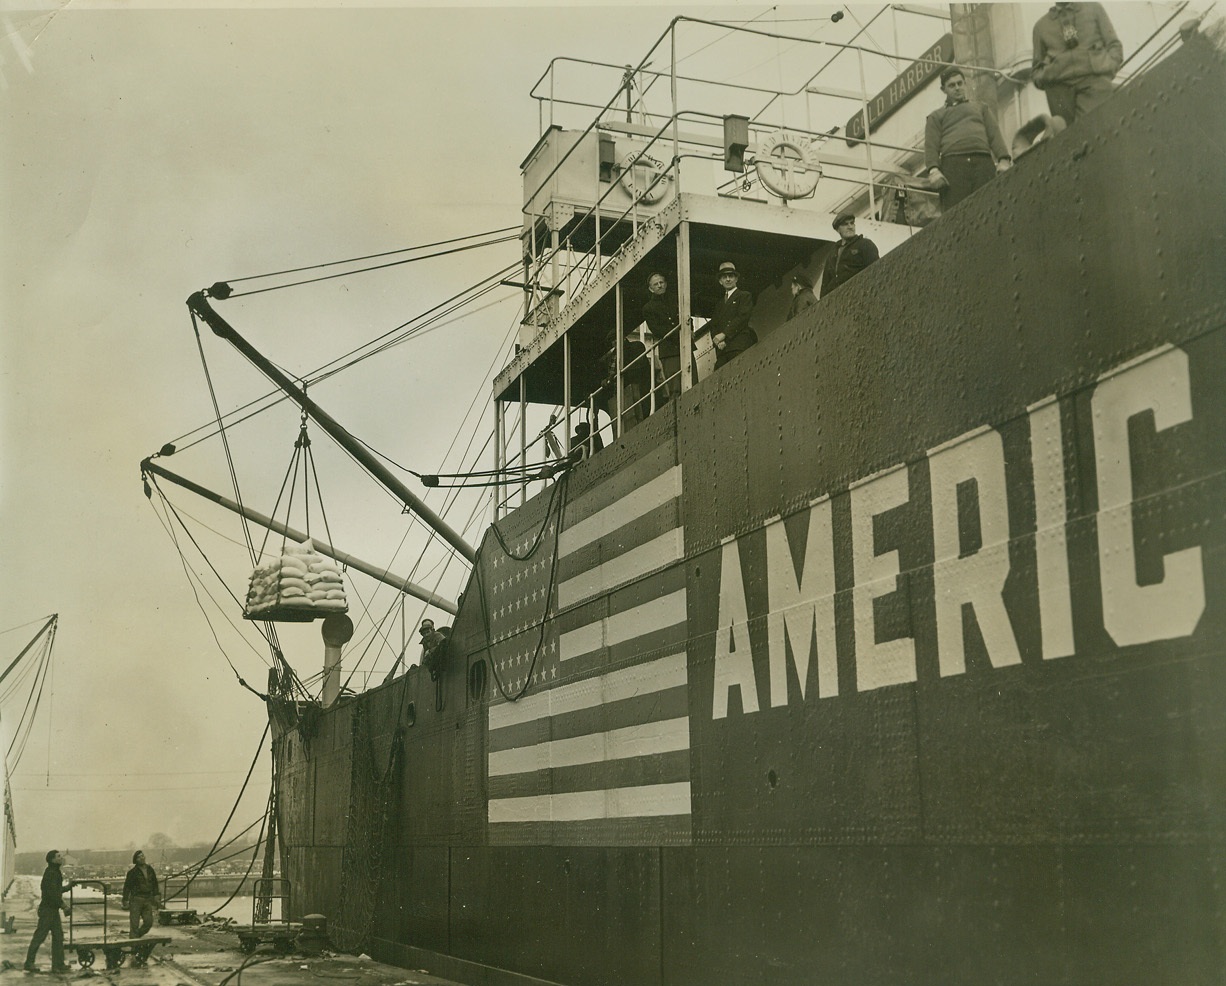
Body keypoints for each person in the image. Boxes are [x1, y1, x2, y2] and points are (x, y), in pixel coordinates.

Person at [924, 68, 1011, 211]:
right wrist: (933, 170)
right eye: (952, 85)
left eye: (960, 83)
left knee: (991, 207)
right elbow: (931, 146)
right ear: (943, 89)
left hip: (982, 162)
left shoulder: (980, 108)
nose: (957, 88)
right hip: (954, 166)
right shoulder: (936, 116)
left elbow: (994, 134)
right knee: (956, 212)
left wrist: (1003, 159)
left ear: (965, 84)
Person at [1032, 2, 1123, 124]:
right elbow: (1036, 72)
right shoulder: (1040, 27)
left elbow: (1114, 46)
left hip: (1094, 84)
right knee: (1072, 139)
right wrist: (1053, 72)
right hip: (1060, 94)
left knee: (1099, 132)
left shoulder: (1094, 9)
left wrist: (1104, 70)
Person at [24, 849, 72, 973]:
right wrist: (63, 905)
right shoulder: (52, 873)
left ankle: (58, 965)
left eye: (61, 856)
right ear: (52, 859)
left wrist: (67, 887)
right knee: (40, 937)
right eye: (58, 856)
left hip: (51, 910)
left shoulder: (53, 871)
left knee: (58, 937)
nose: (61, 858)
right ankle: (29, 963)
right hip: (48, 910)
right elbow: (52, 893)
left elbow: (55, 890)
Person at [708, 262, 756, 368]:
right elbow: (713, 325)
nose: (728, 279)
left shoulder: (744, 296)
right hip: (722, 350)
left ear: (736, 279)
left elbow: (742, 318)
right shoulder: (719, 304)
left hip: (738, 346)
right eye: (724, 277)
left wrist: (724, 334)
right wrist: (717, 341)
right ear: (720, 281)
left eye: (731, 276)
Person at [642, 272, 680, 398]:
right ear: (650, 288)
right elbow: (657, 330)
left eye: (661, 282)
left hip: (684, 345)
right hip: (669, 350)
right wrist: (680, 331)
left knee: (693, 381)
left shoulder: (676, 299)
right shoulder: (648, 308)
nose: (659, 286)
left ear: (666, 284)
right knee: (675, 388)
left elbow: (686, 317)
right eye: (656, 284)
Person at [821, 215, 879, 297]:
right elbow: (825, 282)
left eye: (852, 223)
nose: (850, 227)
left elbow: (876, 271)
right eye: (845, 224)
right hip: (837, 299)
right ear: (838, 229)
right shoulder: (832, 253)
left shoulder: (865, 244)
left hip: (858, 294)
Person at [121, 849, 160, 939]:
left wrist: (156, 895)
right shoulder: (132, 873)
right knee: (134, 924)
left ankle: (136, 936)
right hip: (135, 900)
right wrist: (125, 899)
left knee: (149, 922)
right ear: (136, 860)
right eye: (139, 857)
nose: (142, 858)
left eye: (142, 856)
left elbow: (155, 883)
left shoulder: (150, 870)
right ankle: (134, 944)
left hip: (147, 899)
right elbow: (127, 887)